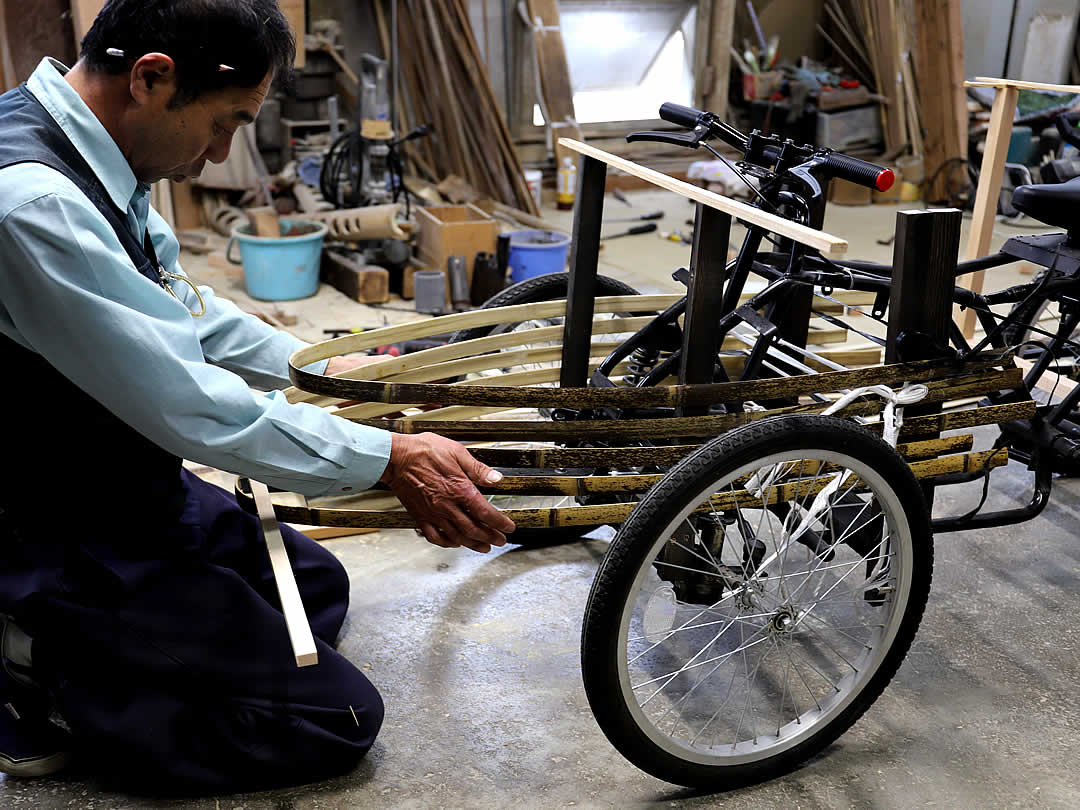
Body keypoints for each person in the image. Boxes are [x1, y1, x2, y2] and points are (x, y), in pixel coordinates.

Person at [0, 0, 514, 793]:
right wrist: (386, 459)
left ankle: (110, 646)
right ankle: (36, 658)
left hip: (121, 479)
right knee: (334, 723)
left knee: (317, 588)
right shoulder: (37, 202)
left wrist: (331, 371)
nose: (217, 155)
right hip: (58, 524)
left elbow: (184, 314)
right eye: (224, 122)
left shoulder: (98, 152)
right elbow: (187, 404)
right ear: (151, 78)